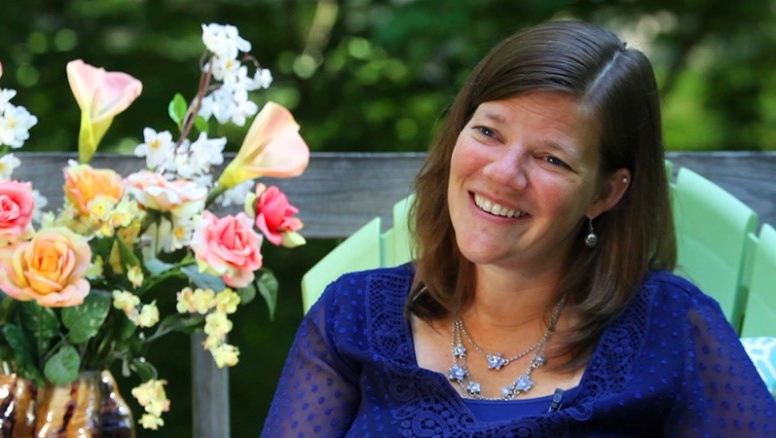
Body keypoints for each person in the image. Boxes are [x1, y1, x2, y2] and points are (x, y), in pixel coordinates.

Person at [262, 20, 776, 437]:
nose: (503, 174)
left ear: (605, 193)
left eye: (551, 158)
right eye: (488, 132)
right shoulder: (352, 317)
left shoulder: (672, 328)